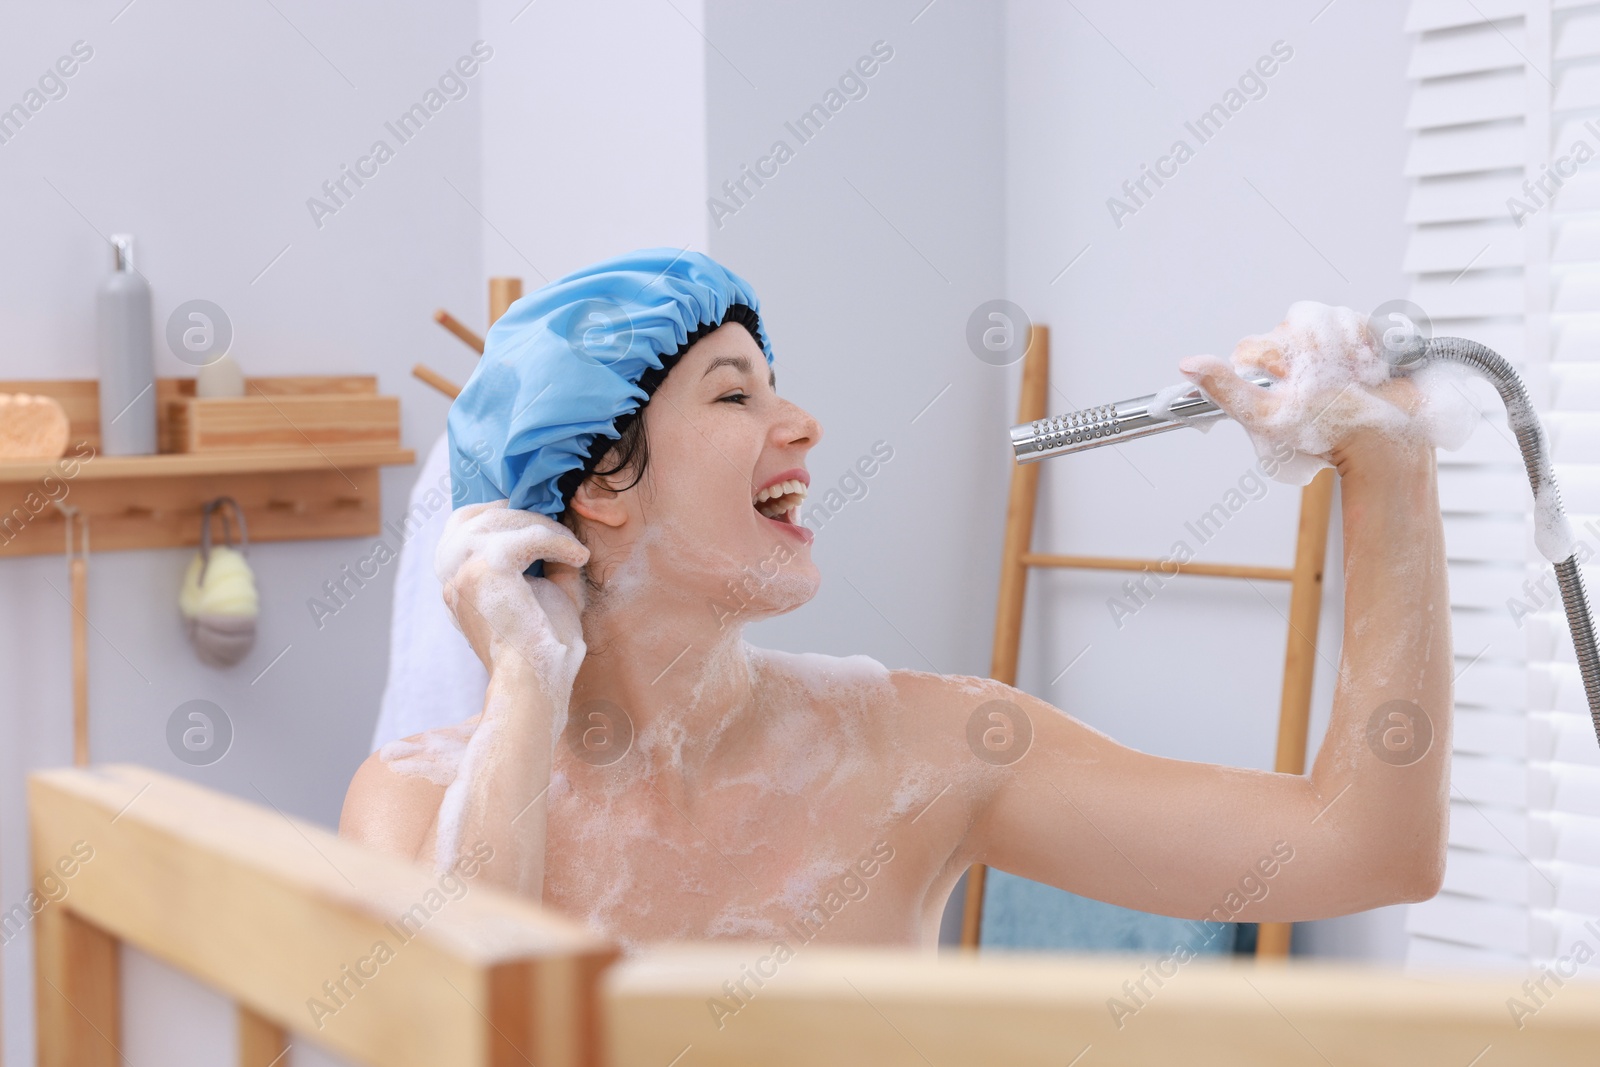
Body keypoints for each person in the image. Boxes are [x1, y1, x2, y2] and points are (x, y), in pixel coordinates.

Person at [340, 248, 1448, 950]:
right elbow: (456, 1029)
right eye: (735, 392)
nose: (803, 422)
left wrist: (1390, 472)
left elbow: (1362, 847)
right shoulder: (410, 799)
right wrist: (526, 686)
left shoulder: (931, 748)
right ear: (590, 487)